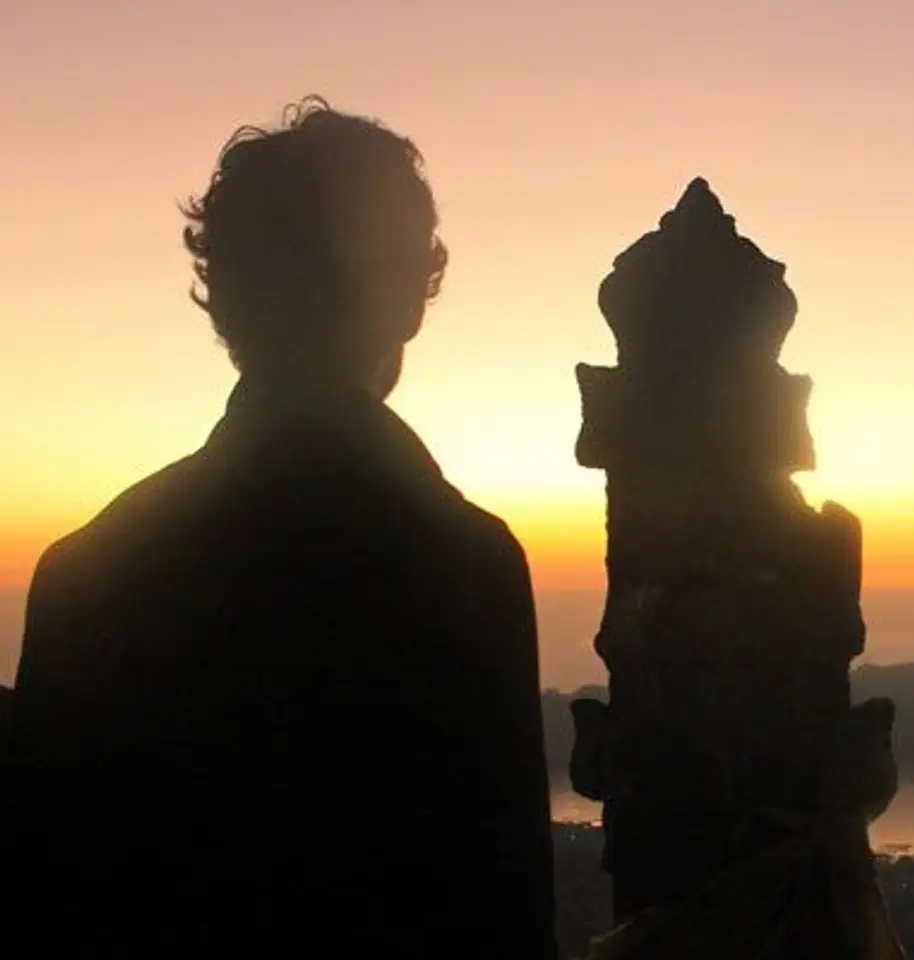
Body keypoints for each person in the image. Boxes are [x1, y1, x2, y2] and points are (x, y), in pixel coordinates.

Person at [5, 97, 557, 958]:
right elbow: (502, 908)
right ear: (412, 302)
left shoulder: (90, 571)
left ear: (225, 303)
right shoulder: (465, 566)